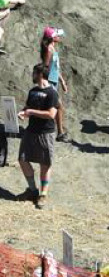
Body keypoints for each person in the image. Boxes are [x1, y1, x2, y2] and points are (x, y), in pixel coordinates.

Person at [17, 64, 58, 209]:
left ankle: (43, 194)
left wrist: (31, 112)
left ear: (40, 74)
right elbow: (28, 107)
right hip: (31, 131)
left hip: (45, 133)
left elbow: (51, 114)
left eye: (34, 73)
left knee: (45, 164)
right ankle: (33, 190)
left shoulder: (52, 92)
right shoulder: (33, 91)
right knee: (22, 159)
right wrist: (23, 112)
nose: (32, 75)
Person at [39, 27, 70, 142]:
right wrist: (45, 84)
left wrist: (62, 81)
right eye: (56, 35)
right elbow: (45, 67)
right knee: (58, 106)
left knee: (54, 107)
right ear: (52, 38)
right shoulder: (49, 50)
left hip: (54, 82)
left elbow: (55, 68)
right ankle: (60, 133)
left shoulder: (52, 49)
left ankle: (56, 132)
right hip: (50, 83)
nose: (59, 36)